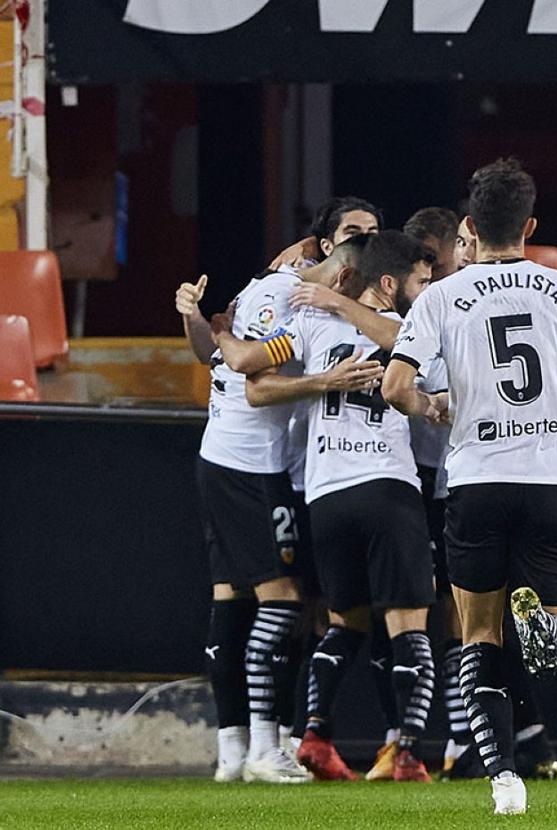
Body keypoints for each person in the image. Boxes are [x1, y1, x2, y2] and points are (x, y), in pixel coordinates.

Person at [382, 158, 557, 815]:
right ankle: (538, 623)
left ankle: (502, 779)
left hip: (476, 482)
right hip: (547, 478)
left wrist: (430, 408)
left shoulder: (440, 297)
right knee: (556, 651)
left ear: (469, 226)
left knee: (476, 637)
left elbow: (396, 386)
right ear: (530, 226)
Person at [221, 230, 442, 783]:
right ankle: (408, 753)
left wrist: (222, 325)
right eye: (418, 280)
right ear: (389, 283)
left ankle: (315, 736)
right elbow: (411, 349)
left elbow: (250, 368)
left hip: (327, 495)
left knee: (344, 623)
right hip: (388, 488)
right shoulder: (415, 327)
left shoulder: (310, 321)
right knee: (409, 624)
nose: (425, 291)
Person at [182, 236, 378, 785]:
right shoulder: (288, 296)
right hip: (247, 467)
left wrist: (211, 325)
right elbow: (252, 378)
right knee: (285, 602)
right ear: (342, 281)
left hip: (235, 460)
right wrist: (327, 382)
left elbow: (224, 355)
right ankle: (264, 747)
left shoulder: (268, 284)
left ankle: (234, 749)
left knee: (236, 596)